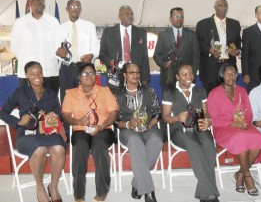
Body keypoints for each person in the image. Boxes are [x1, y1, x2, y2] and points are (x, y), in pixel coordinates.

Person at [0, 61, 66, 202]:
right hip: (26, 135)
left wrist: (55, 115)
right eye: (33, 73)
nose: (37, 76)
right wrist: (17, 121)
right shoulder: (20, 92)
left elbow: (59, 113)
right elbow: (3, 112)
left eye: (39, 72)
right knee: (39, 149)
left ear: (43, 73)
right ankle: (40, 187)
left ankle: (53, 187)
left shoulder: (51, 94)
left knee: (60, 148)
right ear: (27, 75)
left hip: (48, 134)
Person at [162, 62, 220, 202]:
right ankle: (209, 195)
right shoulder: (170, 93)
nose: (189, 77)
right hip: (179, 130)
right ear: (177, 76)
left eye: (191, 74)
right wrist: (177, 117)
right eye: (185, 74)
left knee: (209, 146)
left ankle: (203, 190)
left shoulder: (200, 91)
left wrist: (208, 121)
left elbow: (206, 113)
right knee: (194, 146)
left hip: (199, 127)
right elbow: (165, 117)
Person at [208, 63, 261, 196]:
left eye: (234, 73)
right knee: (242, 138)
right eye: (228, 73)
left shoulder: (242, 90)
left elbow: (250, 113)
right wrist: (233, 124)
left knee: (257, 138)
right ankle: (247, 176)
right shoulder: (214, 93)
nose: (232, 76)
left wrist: (242, 121)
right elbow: (214, 119)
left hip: (243, 125)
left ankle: (240, 173)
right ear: (222, 75)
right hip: (223, 128)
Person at [61, 63, 118, 202]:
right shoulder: (70, 93)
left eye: (92, 73)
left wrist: (102, 126)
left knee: (99, 145)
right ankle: (79, 196)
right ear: (79, 77)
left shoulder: (105, 91)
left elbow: (113, 113)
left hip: (103, 129)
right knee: (80, 147)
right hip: (81, 129)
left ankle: (101, 193)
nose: (89, 76)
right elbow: (65, 115)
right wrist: (78, 122)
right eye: (85, 73)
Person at [115, 63, 163, 202]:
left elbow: (157, 112)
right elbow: (115, 120)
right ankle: (148, 191)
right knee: (135, 141)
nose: (136, 75)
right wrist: (129, 124)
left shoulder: (148, 90)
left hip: (148, 127)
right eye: (131, 72)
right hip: (128, 130)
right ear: (124, 75)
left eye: (137, 72)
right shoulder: (118, 95)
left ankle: (137, 182)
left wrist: (150, 125)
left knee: (156, 140)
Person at [56, 0, 100, 139]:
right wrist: (58, 53)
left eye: (77, 6)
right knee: (67, 101)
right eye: (72, 6)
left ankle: (88, 130)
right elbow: (55, 49)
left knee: (87, 99)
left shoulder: (89, 26)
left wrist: (92, 54)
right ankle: (68, 134)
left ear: (80, 9)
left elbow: (96, 47)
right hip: (67, 68)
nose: (74, 8)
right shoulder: (60, 28)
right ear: (67, 9)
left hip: (84, 68)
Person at [10, 0, 60, 94]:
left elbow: (58, 44)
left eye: (42, 0)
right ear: (30, 2)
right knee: (28, 106)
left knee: (50, 105)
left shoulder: (53, 21)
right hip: (28, 74)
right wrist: (28, 62)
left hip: (49, 71)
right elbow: (15, 46)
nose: (41, 2)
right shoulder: (20, 23)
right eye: (37, 0)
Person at [99, 5, 150, 94]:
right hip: (115, 75)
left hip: (135, 75)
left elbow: (145, 57)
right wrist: (110, 62)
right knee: (115, 103)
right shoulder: (109, 32)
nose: (130, 16)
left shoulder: (141, 32)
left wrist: (145, 79)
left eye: (131, 14)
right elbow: (102, 53)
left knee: (134, 103)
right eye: (127, 14)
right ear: (119, 16)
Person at [196, 0, 241, 94]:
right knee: (210, 98)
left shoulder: (235, 24)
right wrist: (209, 50)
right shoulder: (203, 24)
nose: (223, 8)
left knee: (229, 97)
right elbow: (199, 44)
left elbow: (238, 43)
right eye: (220, 5)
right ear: (215, 7)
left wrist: (237, 51)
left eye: (225, 5)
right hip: (210, 68)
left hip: (229, 66)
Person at [153, 7, 200, 92]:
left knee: (186, 103)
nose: (179, 19)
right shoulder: (163, 35)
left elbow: (196, 56)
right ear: (170, 19)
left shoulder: (192, 35)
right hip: (167, 77)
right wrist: (164, 64)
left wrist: (191, 72)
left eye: (181, 17)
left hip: (187, 77)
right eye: (176, 16)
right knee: (168, 103)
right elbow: (157, 55)